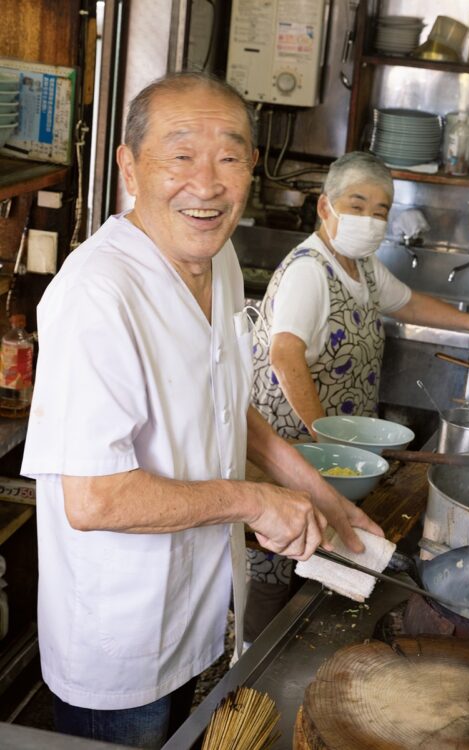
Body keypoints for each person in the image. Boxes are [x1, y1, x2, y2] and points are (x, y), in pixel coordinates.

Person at [20, 74, 383, 749]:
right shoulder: (98, 295)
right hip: (122, 639)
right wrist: (254, 502)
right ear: (130, 167)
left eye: (230, 156)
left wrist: (313, 489)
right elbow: (94, 499)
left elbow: (223, 403)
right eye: (181, 155)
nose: (207, 184)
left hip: (199, 611)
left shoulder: (214, 259)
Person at [245, 150, 469, 642]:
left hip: (335, 457)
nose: (371, 219)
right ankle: (251, 656)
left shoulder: (361, 267)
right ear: (325, 206)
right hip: (297, 449)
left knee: (314, 557)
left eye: (382, 210)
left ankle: (291, 640)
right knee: (279, 558)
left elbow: (410, 302)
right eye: (358, 204)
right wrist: (324, 435)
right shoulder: (310, 271)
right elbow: (284, 355)